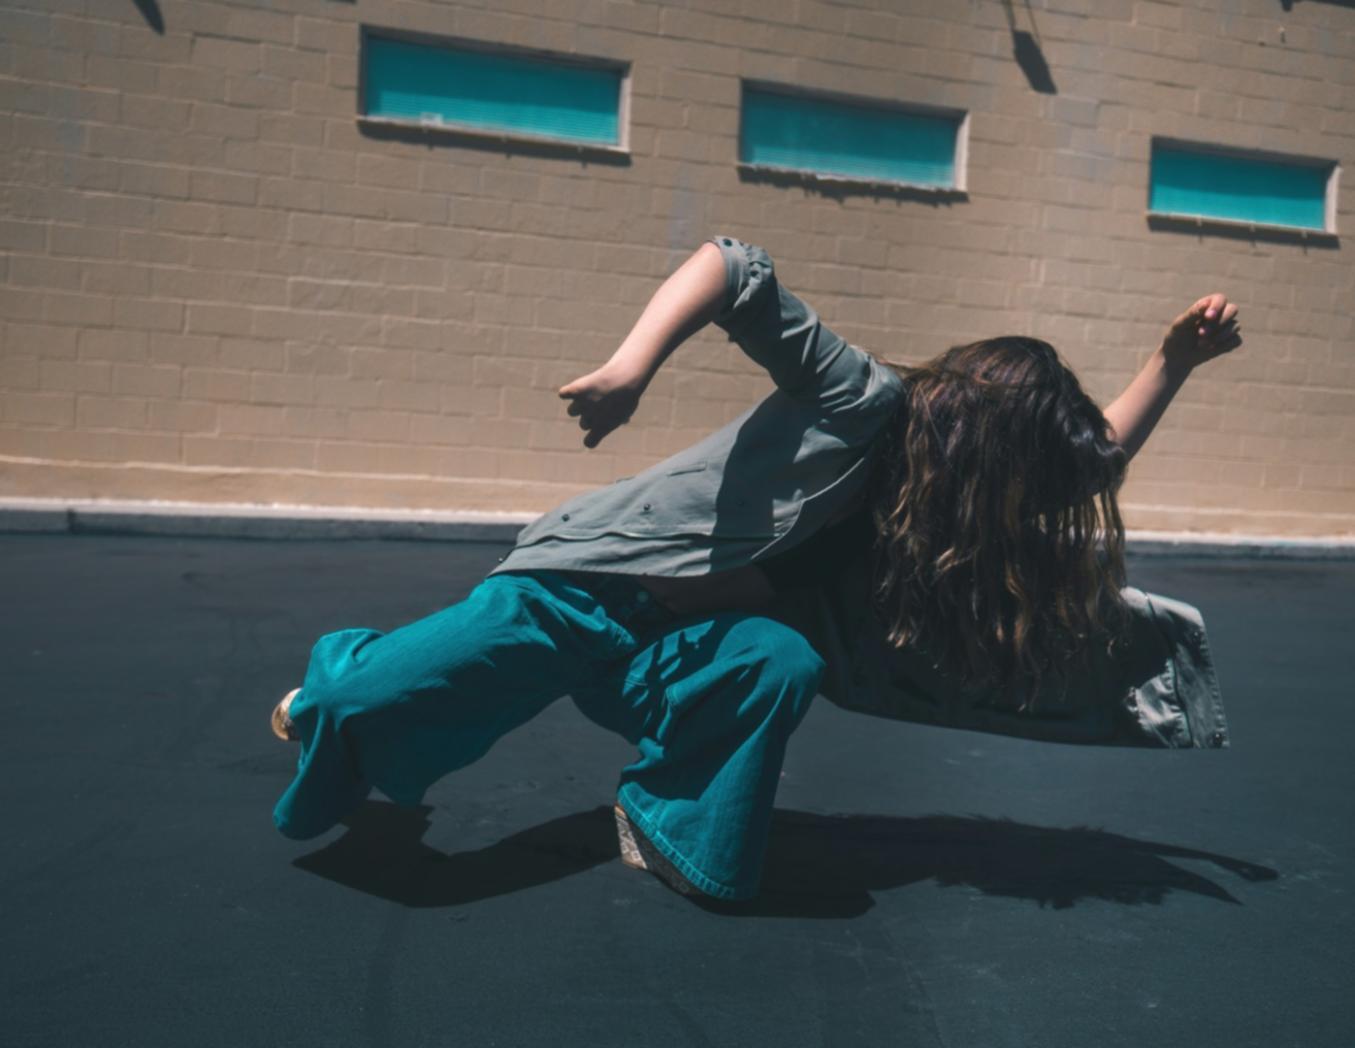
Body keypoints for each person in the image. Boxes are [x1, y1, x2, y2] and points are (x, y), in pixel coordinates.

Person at [269, 235, 1240, 902]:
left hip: (683, 645)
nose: (1024, 496)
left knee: (778, 659)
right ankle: (344, 669)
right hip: (577, 595)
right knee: (360, 709)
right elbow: (731, 267)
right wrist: (630, 368)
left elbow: (1090, 462)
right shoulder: (858, 398)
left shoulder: (932, 508)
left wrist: (1173, 363)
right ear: (979, 446)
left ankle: (666, 820)